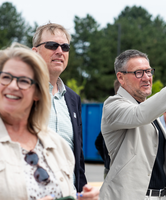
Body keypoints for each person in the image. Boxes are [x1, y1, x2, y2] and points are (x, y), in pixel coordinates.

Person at [0, 45, 99, 200]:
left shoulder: (58, 145)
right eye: (5, 77)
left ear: (38, 93)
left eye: (24, 81)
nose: (12, 86)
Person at [99, 49, 166, 200]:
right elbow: (139, 115)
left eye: (148, 71)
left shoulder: (151, 113)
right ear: (121, 77)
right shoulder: (113, 106)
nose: (146, 77)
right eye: (139, 72)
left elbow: (148, 159)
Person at [32, 23, 86, 192]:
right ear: (35, 52)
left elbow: (78, 154)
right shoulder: (20, 91)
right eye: (52, 45)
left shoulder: (73, 99)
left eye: (65, 47)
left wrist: (82, 190)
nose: (59, 51)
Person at [95, 79, 120, 178]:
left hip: (109, 169)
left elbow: (98, 142)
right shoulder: (118, 113)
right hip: (116, 172)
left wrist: (107, 161)